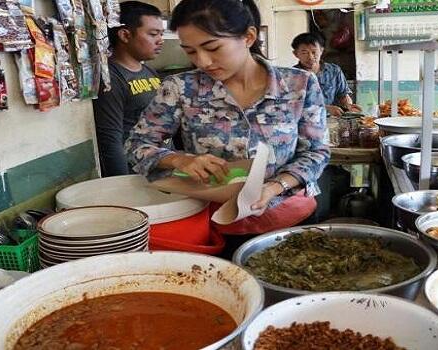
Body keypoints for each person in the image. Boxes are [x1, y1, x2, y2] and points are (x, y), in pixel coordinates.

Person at [125, 0, 329, 239]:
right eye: (190, 51)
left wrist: (275, 187)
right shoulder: (181, 88)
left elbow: (316, 152)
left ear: (248, 37)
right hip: (217, 222)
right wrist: (178, 160)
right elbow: (137, 144)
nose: (202, 61)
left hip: (291, 219)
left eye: (212, 47)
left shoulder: (299, 84)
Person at [92, 1, 164, 177]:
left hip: (160, 168)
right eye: (153, 34)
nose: (160, 40)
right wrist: (122, 185)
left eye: (161, 34)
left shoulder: (149, 72)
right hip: (134, 174)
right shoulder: (110, 79)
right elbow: (110, 140)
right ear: (125, 35)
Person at [292, 32, 360, 117]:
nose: (310, 57)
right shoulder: (291, 75)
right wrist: (325, 109)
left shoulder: (334, 71)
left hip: (333, 122)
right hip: (305, 123)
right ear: (295, 54)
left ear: (321, 51)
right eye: (304, 53)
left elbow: (343, 94)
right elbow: (292, 106)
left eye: (314, 52)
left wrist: (348, 106)